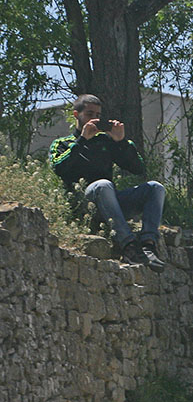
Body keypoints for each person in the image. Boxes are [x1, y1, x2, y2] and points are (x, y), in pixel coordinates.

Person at [49, 94, 166, 272]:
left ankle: (148, 245)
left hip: (112, 204)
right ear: (76, 115)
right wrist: (82, 141)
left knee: (155, 188)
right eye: (89, 114)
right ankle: (128, 246)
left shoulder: (106, 141)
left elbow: (138, 168)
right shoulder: (63, 143)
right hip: (85, 205)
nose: (95, 119)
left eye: (98, 114)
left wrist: (121, 142)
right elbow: (59, 168)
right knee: (102, 184)